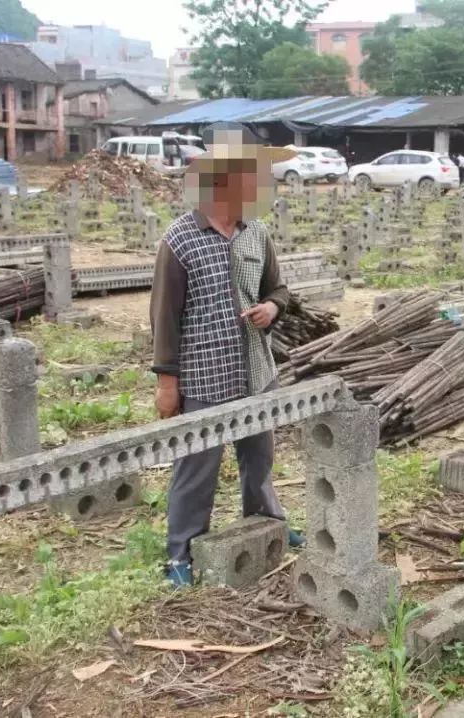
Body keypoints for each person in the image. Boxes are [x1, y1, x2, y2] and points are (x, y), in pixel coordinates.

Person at [150, 122, 304, 588]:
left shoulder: (256, 234)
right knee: (196, 467)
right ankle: (181, 551)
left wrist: (272, 306)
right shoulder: (179, 240)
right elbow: (164, 316)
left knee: (258, 459)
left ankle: (266, 521)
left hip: (255, 371)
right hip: (203, 375)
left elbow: (278, 288)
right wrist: (166, 382)